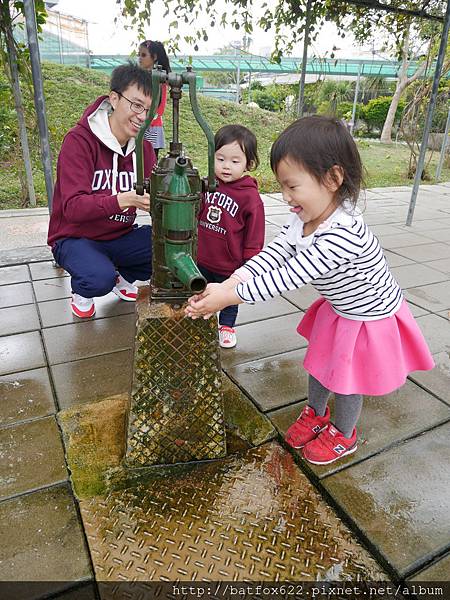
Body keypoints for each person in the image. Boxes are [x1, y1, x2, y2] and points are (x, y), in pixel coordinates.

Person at [186, 115, 435, 465]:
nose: (286, 197)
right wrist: (232, 281)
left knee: (348, 378)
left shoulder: (342, 233)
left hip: (367, 316)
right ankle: (315, 412)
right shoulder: (305, 215)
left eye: (292, 186)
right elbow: (276, 253)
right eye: (282, 186)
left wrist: (228, 298)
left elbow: (289, 275)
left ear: (332, 179)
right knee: (320, 363)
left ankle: (344, 433)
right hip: (338, 307)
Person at [47, 63, 156, 319]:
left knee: (166, 250)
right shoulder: (79, 141)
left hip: (119, 235)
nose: (142, 116)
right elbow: (72, 208)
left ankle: (122, 275)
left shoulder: (145, 149)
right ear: (114, 98)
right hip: (75, 237)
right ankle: (84, 288)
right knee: (98, 279)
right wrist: (122, 200)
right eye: (136, 105)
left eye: (148, 110)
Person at [197, 124, 265, 349]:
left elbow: (254, 235)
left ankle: (226, 326)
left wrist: (249, 263)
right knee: (200, 289)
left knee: (228, 296)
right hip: (202, 256)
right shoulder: (206, 185)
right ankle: (200, 316)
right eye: (220, 159)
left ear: (249, 164)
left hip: (230, 262)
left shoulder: (249, 197)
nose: (226, 166)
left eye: (235, 161)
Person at [138, 40, 171, 159]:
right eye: (139, 55)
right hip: (141, 123)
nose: (140, 58)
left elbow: (160, 107)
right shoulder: (142, 77)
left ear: (154, 57)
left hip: (152, 125)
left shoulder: (158, 78)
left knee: (150, 161)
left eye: (143, 55)